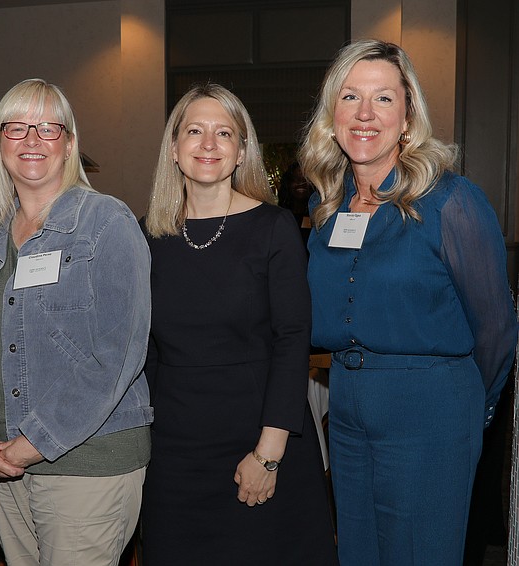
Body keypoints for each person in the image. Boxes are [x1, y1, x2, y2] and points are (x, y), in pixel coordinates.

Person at [299, 39, 518, 565]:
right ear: (332, 114)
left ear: (408, 115)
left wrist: (466, 410)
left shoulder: (451, 201)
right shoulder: (325, 206)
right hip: (348, 408)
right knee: (359, 554)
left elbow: (496, 331)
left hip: (430, 410)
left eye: (383, 99)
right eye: (350, 97)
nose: (365, 114)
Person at [0, 78, 152, 566]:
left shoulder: (107, 223)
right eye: (16, 128)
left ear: (70, 143)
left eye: (48, 128)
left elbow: (116, 353)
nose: (32, 140)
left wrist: (30, 445)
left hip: (87, 461)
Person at [142, 83, 338, 565]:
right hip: (173, 451)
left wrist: (269, 453)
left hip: (256, 440)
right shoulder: (146, 236)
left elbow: (293, 340)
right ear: (173, 147)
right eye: (194, 131)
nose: (208, 144)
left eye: (224, 133)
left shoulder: (274, 228)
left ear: (241, 151)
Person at [277, 161, 316, 248]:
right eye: (296, 180)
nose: (300, 184)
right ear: (288, 184)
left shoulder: (319, 216)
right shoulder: (280, 217)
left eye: (305, 180)